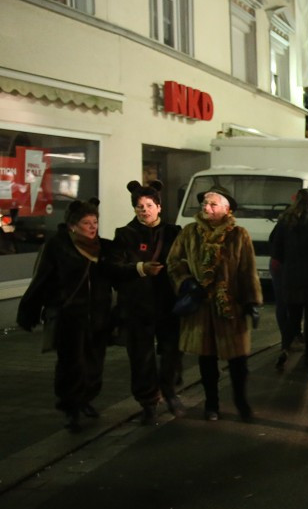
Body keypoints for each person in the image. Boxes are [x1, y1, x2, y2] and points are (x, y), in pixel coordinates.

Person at [17, 199, 135, 432]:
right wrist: (29, 310)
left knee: (94, 363)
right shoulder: (58, 247)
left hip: (99, 315)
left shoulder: (103, 247)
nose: (92, 227)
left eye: (95, 222)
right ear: (72, 226)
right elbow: (41, 279)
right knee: (71, 364)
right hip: (70, 316)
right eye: (86, 223)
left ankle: (86, 399)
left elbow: (119, 272)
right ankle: (71, 408)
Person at [167, 185, 262, 422]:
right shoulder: (189, 232)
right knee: (206, 360)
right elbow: (174, 261)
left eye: (212, 204)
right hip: (201, 308)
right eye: (204, 205)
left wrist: (253, 302)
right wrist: (187, 282)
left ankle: (241, 403)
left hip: (231, 307)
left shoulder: (239, 235)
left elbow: (248, 271)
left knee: (238, 361)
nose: (207, 208)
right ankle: (212, 404)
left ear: (226, 209)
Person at [112, 180, 184, 424]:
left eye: (149, 205)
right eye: (140, 206)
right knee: (141, 356)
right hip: (137, 306)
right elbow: (114, 268)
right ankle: (148, 402)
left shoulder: (174, 233)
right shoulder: (124, 235)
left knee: (172, 352)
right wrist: (140, 268)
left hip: (168, 303)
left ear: (159, 207)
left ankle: (170, 390)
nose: (145, 210)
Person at [270, 189, 308, 370]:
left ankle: (285, 348)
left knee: (292, 316)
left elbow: (275, 247)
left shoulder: (284, 220)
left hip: (290, 276)